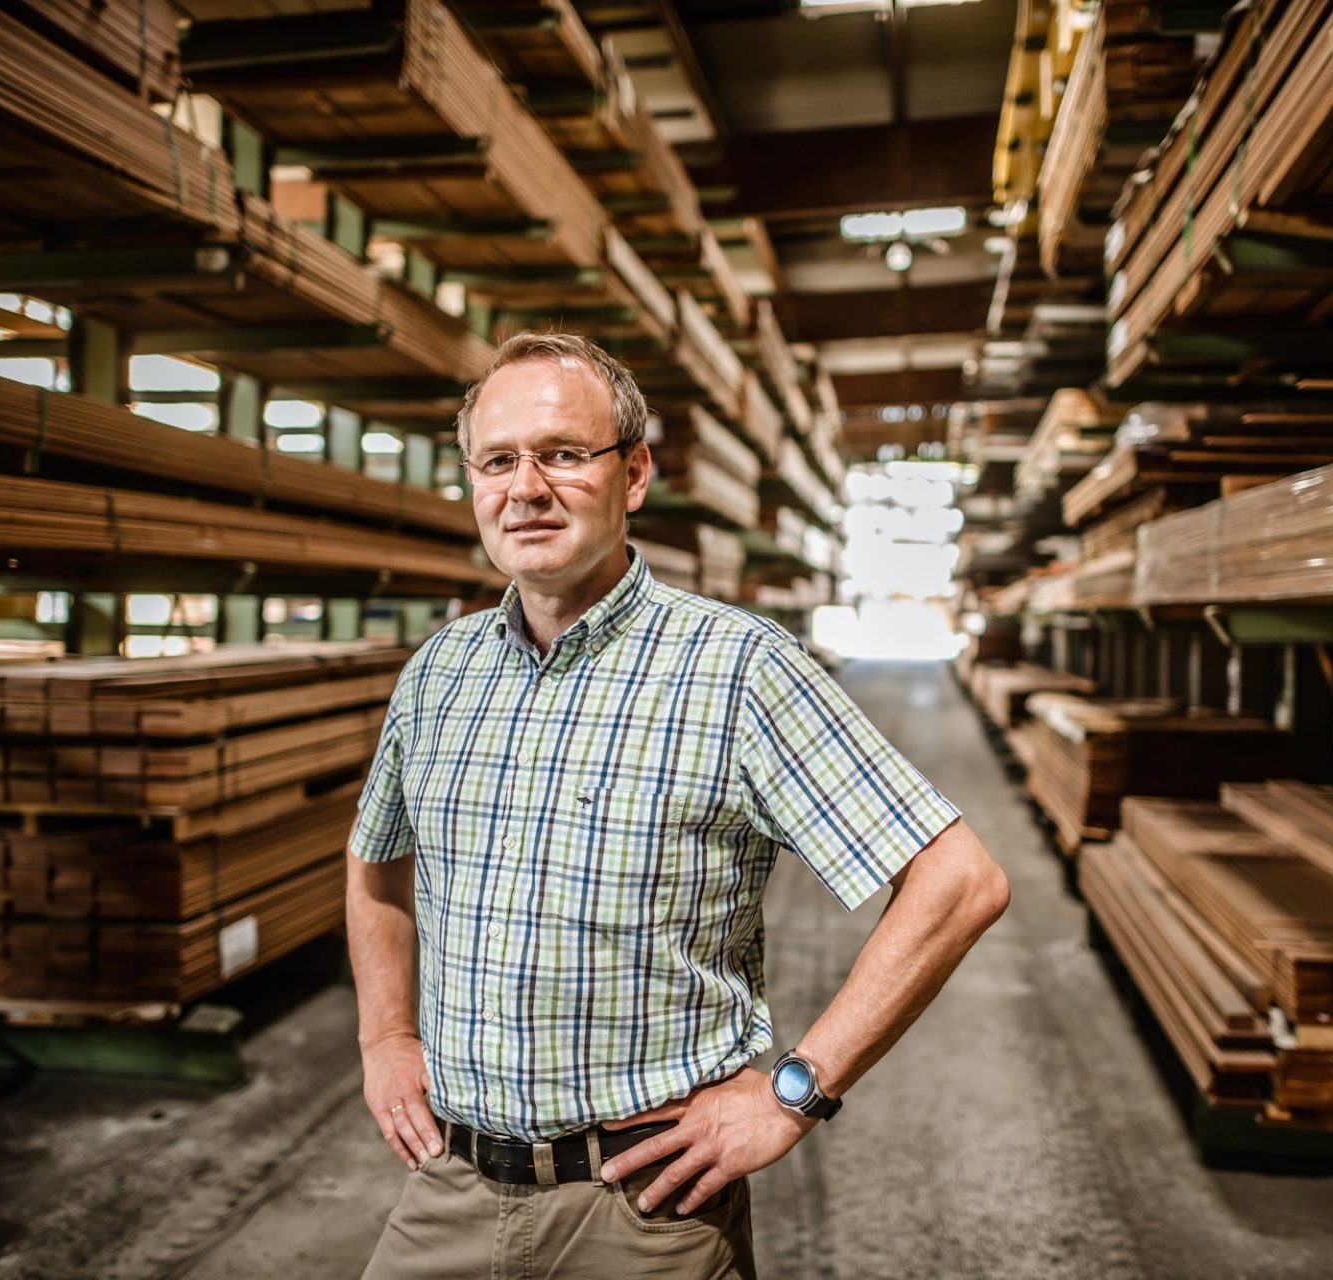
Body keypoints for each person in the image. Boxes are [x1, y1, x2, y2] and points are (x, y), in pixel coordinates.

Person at [347, 331, 1010, 1279]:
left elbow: (959, 881)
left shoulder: (737, 669)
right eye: (498, 460)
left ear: (636, 473)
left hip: (645, 1210)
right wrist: (385, 1036)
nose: (526, 488)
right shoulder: (439, 674)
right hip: (449, 1187)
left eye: (565, 455)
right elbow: (375, 857)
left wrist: (792, 1093)